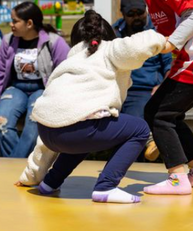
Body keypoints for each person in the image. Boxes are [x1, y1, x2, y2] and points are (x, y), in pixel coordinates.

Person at [17, 10, 166, 204]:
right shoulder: (109, 50)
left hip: (48, 132)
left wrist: (30, 177)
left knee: (83, 130)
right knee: (140, 129)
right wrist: (166, 41)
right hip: (78, 129)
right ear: (110, 38)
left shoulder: (69, 62)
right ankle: (106, 187)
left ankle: (50, 183)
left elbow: (54, 121)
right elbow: (138, 44)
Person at [119, 0, 193, 195]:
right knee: (163, 113)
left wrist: (172, 42)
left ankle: (178, 178)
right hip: (184, 63)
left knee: (158, 114)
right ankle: (186, 172)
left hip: (190, 63)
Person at [0, 1, 70, 158]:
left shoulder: (54, 42)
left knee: (34, 125)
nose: (11, 24)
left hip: (42, 90)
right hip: (16, 88)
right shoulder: (8, 41)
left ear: (29, 23)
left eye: (15, 21)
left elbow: (66, 70)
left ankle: (12, 165)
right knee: (2, 121)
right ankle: (18, 165)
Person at [113, 0, 172, 161]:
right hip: (120, 87)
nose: (136, 17)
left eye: (140, 12)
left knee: (135, 113)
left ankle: (147, 146)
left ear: (146, 10)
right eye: (131, 14)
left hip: (146, 88)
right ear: (122, 14)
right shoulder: (116, 32)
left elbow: (169, 66)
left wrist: (162, 86)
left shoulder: (157, 31)